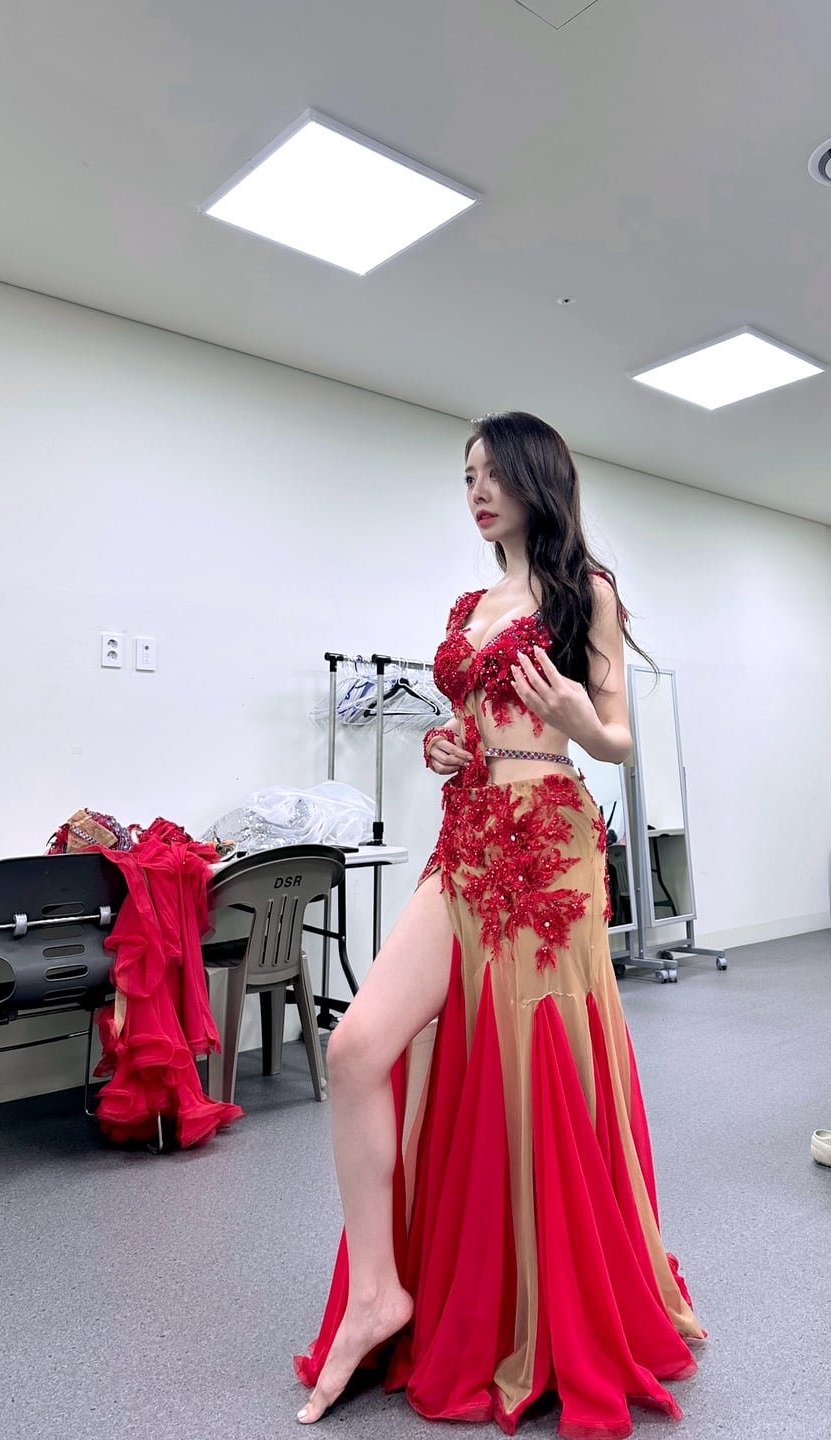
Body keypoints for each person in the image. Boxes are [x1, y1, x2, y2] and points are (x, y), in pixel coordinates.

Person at [296, 412, 704, 1437]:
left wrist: (575, 717)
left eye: (490, 473)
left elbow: (615, 739)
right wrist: (447, 743)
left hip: (547, 839)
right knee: (356, 1048)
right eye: (465, 476)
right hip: (467, 831)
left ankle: (541, 1301)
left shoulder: (585, 591)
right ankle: (380, 1293)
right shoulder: (469, 606)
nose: (475, 491)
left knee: (530, 1072)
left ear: (534, 477)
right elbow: (475, 722)